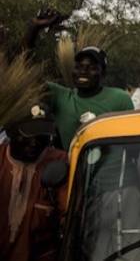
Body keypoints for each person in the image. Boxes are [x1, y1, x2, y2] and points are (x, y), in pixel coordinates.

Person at [24, 9, 134, 148]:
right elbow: (26, 71)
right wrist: (33, 29)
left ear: (103, 73)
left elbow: (130, 143)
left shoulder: (120, 99)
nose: (84, 71)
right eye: (79, 66)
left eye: (92, 67)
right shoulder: (61, 97)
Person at [0, 109, 67, 261]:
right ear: (11, 133)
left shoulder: (60, 163)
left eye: (41, 136)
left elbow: (67, 213)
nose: (34, 142)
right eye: (28, 135)